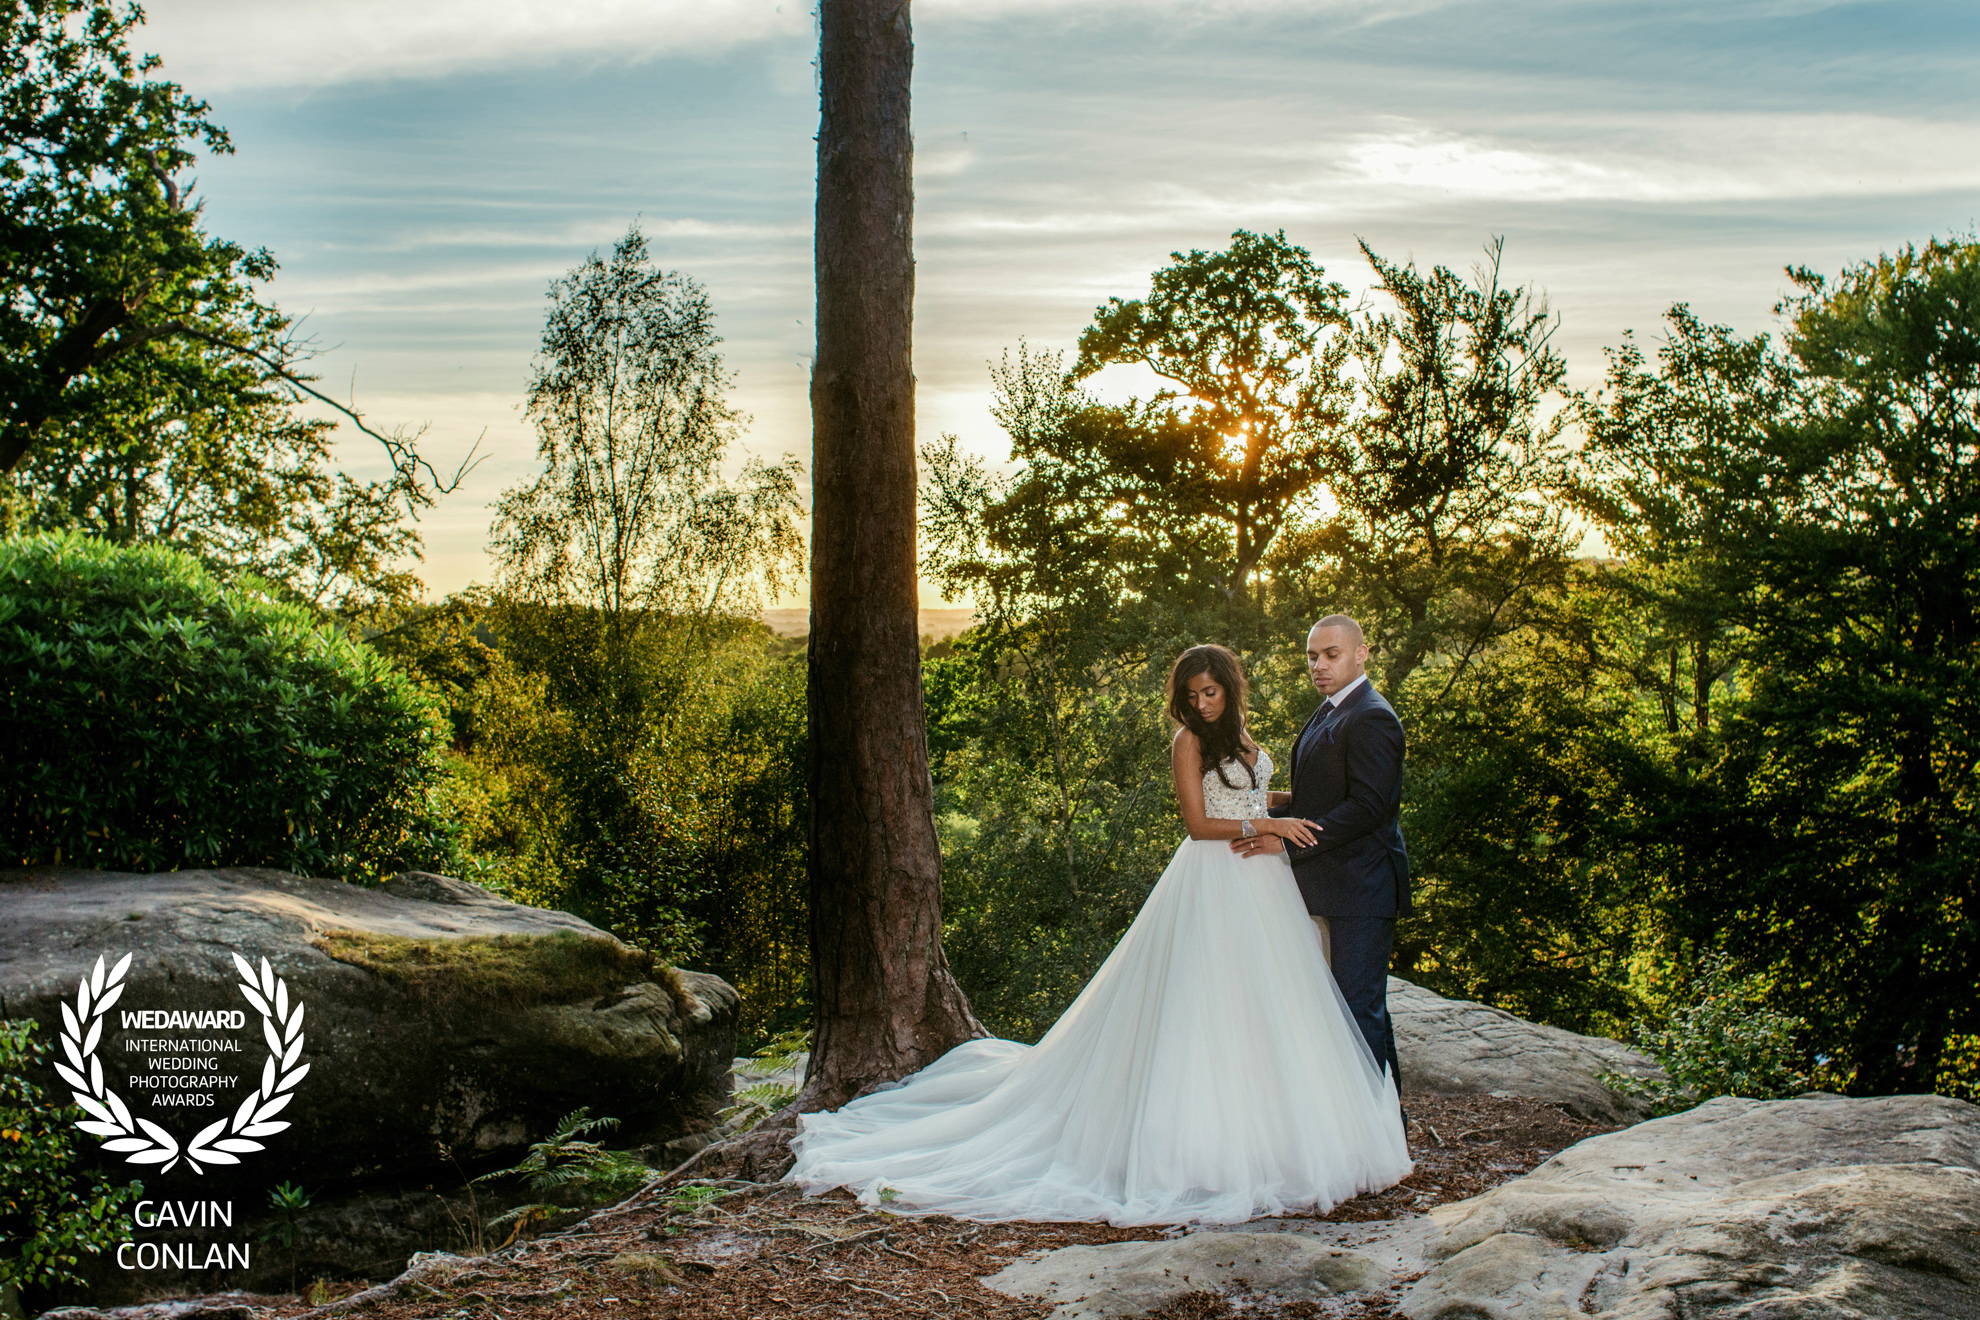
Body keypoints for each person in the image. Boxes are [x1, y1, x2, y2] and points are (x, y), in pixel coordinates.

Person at [785, 644, 1411, 1226]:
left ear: (1230, 689)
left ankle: (1279, 1132)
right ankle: (1201, 1146)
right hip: (1217, 878)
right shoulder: (1187, 743)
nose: (1202, 703)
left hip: (1263, 882)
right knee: (1207, 1005)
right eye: (1192, 694)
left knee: (1270, 1005)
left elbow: (1251, 795)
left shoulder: (1245, 738)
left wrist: (1286, 812)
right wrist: (1266, 827)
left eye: (1212, 692)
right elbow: (1198, 825)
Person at [1236, 614, 1408, 1093]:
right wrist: (1258, 804)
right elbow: (1323, 798)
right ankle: (1377, 1125)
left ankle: (1381, 1127)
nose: (1319, 665)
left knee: (1359, 1009)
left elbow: (1369, 807)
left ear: (1361, 653)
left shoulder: (1371, 715)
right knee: (1344, 1009)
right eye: (1313, 656)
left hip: (1362, 887)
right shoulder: (1331, 709)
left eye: (1331, 655)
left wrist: (1287, 838)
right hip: (1329, 884)